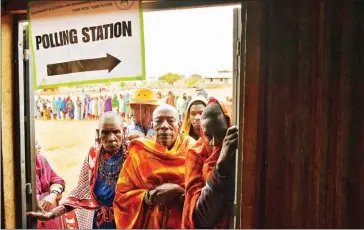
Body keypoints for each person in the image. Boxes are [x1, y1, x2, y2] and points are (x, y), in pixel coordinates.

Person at [28, 112, 127, 229]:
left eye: (116, 132)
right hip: (100, 222)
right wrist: (52, 214)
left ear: (124, 131)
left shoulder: (134, 155)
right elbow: (79, 194)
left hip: (128, 220)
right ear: (98, 133)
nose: (111, 138)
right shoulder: (93, 155)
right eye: (105, 132)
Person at [113, 104, 196, 229]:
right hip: (150, 223)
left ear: (179, 125)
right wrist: (149, 196)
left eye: (170, 121)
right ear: (152, 126)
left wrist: (181, 194)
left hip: (184, 222)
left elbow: (205, 192)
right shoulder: (139, 152)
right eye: (159, 121)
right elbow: (121, 197)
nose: (164, 126)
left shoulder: (192, 149)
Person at [182, 99, 238, 229]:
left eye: (221, 134)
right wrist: (220, 168)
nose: (214, 142)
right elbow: (199, 218)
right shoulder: (195, 154)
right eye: (208, 135)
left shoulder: (239, 151)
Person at [34, 141, 65, 229]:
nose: (39, 147)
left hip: (49, 215)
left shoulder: (41, 160)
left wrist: (53, 194)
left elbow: (57, 180)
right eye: (35, 144)